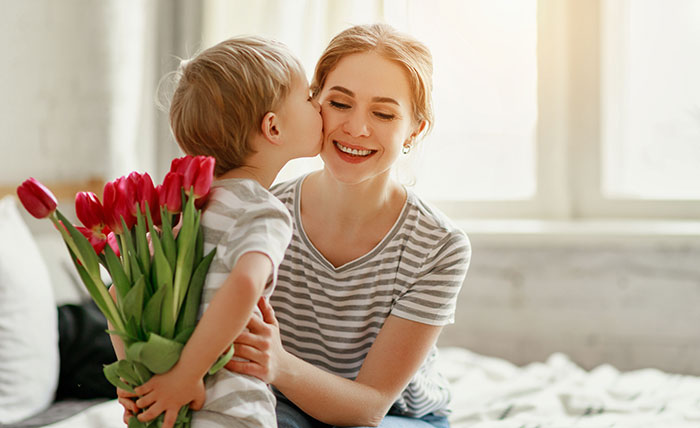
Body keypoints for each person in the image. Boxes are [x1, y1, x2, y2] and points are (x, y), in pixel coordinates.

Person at [227, 24, 471, 428]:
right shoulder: (260, 212)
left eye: (383, 113)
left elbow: (370, 406)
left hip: (393, 417)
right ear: (313, 103)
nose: (357, 128)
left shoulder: (439, 245)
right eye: (340, 104)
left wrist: (279, 364)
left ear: (415, 129)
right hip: (284, 403)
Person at [113, 36, 323, 428]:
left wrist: (139, 381)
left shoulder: (185, 212)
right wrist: (186, 375)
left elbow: (117, 294)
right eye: (310, 97)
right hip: (234, 413)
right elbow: (245, 283)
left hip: (170, 412)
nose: (320, 106)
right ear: (273, 127)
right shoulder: (262, 210)